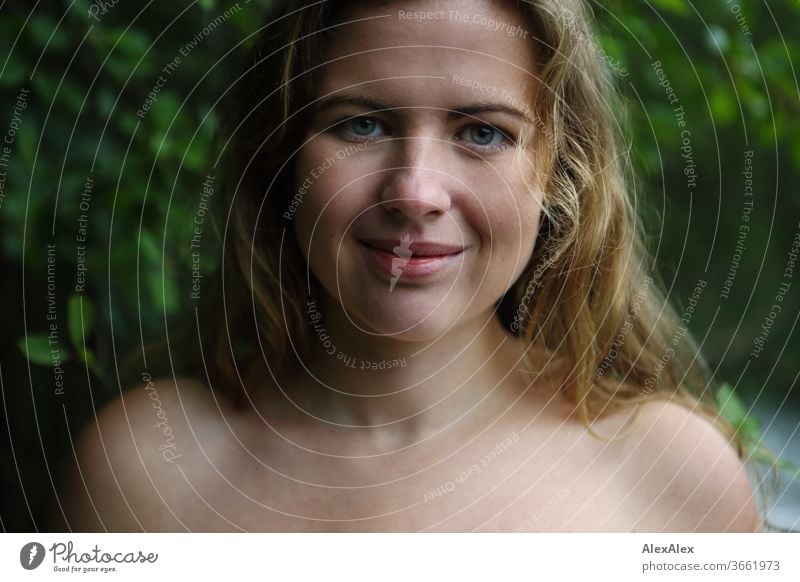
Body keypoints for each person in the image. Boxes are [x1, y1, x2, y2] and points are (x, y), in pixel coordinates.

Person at [56, 0, 761, 532]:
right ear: (281, 154)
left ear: (557, 172)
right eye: (361, 124)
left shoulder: (669, 475)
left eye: (484, 132)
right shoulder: (150, 470)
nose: (415, 193)